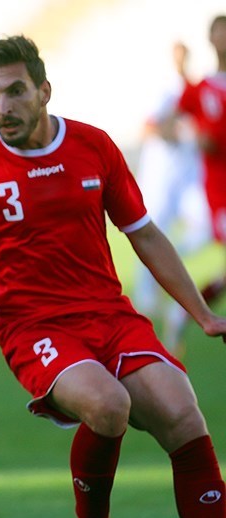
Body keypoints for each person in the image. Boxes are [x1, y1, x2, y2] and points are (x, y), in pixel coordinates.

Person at [0, 34, 226, 518]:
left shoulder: (93, 146)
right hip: (35, 328)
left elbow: (146, 235)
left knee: (183, 412)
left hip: (112, 317)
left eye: (14, 91)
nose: (1, 107)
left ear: (44, 90)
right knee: (109, 403)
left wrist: (202, 315)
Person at [132, 41, 210, 351]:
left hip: (188, 176)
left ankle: (169, 266)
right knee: (148, 232)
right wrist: (178, 132)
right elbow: (150, 128)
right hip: (160, 177)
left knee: (203, 229)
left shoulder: (193, 88)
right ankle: (146, 300)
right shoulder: (164, 88)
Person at [167, 15, 226, 352]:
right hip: (220, 191)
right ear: (211, 40)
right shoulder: (202, 88)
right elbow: (169, 124)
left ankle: (183, 311)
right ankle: (186, 311)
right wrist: (194, 136)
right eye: (220, 33)